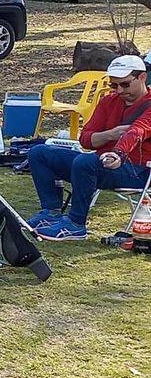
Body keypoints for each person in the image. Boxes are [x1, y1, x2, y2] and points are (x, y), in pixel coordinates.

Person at [25, 54, 151, 240]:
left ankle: (76, 225)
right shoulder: (108, 101)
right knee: (39, 152)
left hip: (137, 170)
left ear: (142, 77)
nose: (118, 90)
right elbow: (85, 138)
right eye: (113, 85)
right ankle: (51, 212)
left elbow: (137, 131)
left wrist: (118, 153)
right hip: (99, 163)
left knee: (86, 161)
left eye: (124, 84)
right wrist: (111, 134)